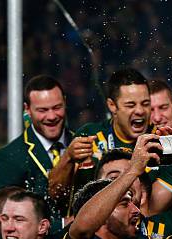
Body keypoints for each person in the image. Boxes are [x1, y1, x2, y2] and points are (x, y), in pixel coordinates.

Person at [48, 68, 154, 209]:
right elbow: (54, 195)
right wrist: (68, 158)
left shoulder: (158, 140)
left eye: (145, 104)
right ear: (112, 106)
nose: (140, 111)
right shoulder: (90, 136)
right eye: (131, 105)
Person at [0, 75, 74, 226]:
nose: (51, 116)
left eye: (57, 107)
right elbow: (1, 222)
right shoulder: (9, 157)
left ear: (65, 103)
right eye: (42, 110)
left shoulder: (81, 143)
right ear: (27, 109)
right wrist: (63, 224)